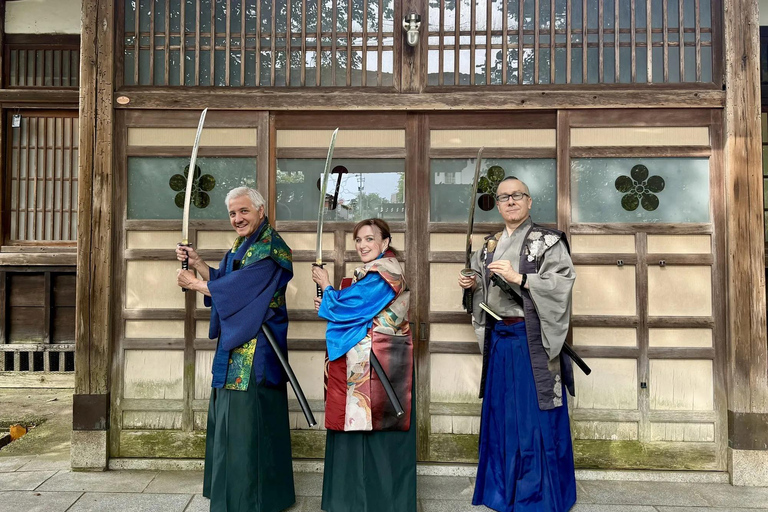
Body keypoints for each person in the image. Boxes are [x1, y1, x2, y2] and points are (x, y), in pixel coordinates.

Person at [458, 177, 577, 512]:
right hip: (500, 340)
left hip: (532, 340)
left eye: (517, 196)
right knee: (501, 413)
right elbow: (482, 290)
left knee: (534, 416)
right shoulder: (489, 244)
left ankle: (539, 496)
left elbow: (563, 282)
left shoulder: (547, 240)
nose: (510, 202)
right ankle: (500, 491)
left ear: (529, 202)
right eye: (503, 197)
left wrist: (521, 278)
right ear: (497, 204)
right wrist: (471, 283)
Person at [175, 186, 295, 512]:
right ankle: (231, 492)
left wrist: (197, 284)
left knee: (250, 422)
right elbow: (225, 279)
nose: (237, 218)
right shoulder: (243, 245)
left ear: (260, 210)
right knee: (229, 418)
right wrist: (200, 265)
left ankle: (252, 498)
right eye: (232, 213)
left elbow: (242, 289)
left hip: (258, 347)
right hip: (237, 343)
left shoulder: (270, 248)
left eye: (243, 211)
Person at [311, 218, 416, 512]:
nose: (363, 245)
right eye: (358, 240)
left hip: (379, 366)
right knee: (359, 430)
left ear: (385, 243)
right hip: (364, 364)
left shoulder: (386, 272)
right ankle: (354, 500)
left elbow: (351, 307)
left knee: (379, 431)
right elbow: (349, 304)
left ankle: (376, 503)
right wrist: (331, 299)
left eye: (370, 239)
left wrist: (327, 288)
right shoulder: (373, 272)